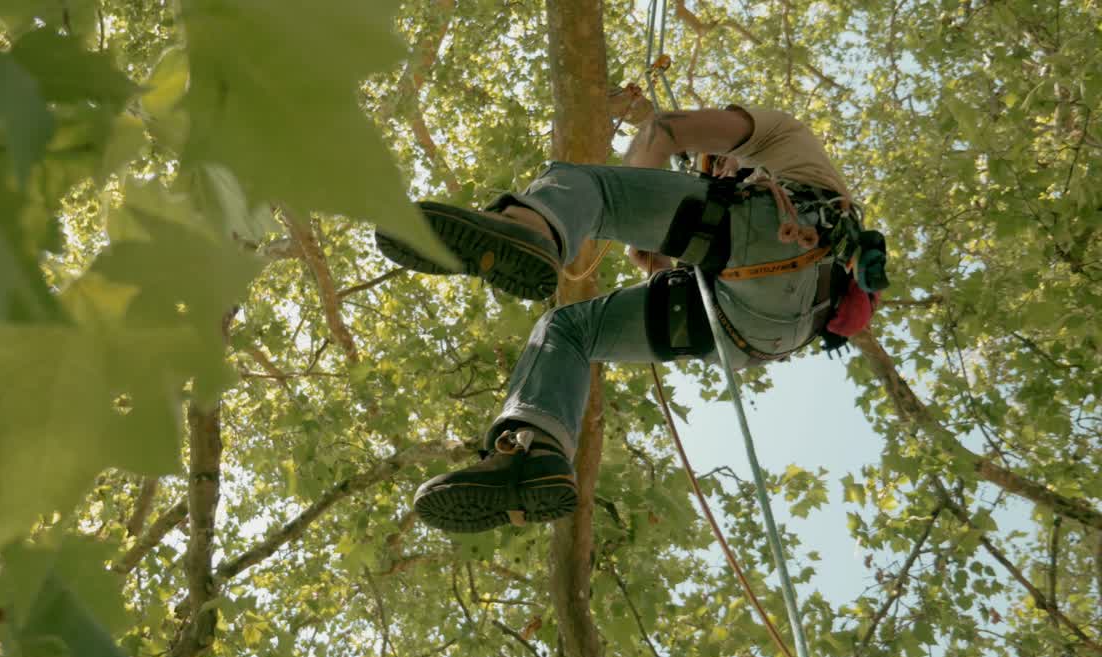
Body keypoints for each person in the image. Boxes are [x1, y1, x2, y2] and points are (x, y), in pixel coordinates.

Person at [375, 106, 885, 533]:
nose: (715, 170)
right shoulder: (737, 202)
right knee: (565, 330)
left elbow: (663, 129)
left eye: (714, 162)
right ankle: (535, 452)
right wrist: (661, 260)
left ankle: (530, 227)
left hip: (786, 235)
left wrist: (647, 210)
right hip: (753, 331)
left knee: (583, 186)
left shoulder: (779, 133)